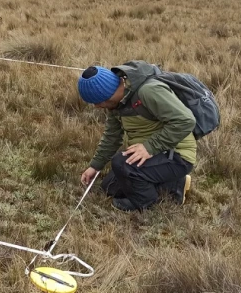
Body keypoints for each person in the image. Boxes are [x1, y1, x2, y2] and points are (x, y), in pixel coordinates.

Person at [78, 62, 195, 211]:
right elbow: (112, 137)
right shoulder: (115, 104)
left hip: (177, 155)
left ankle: (145, 202)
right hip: (152, 154)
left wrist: (149, 147)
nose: (96, 107)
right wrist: (95, 166)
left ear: (105, 97)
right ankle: (175, 184)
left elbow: (186, 121)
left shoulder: (149, 91)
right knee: (110, 187)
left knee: (121, 163)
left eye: (96, 103)